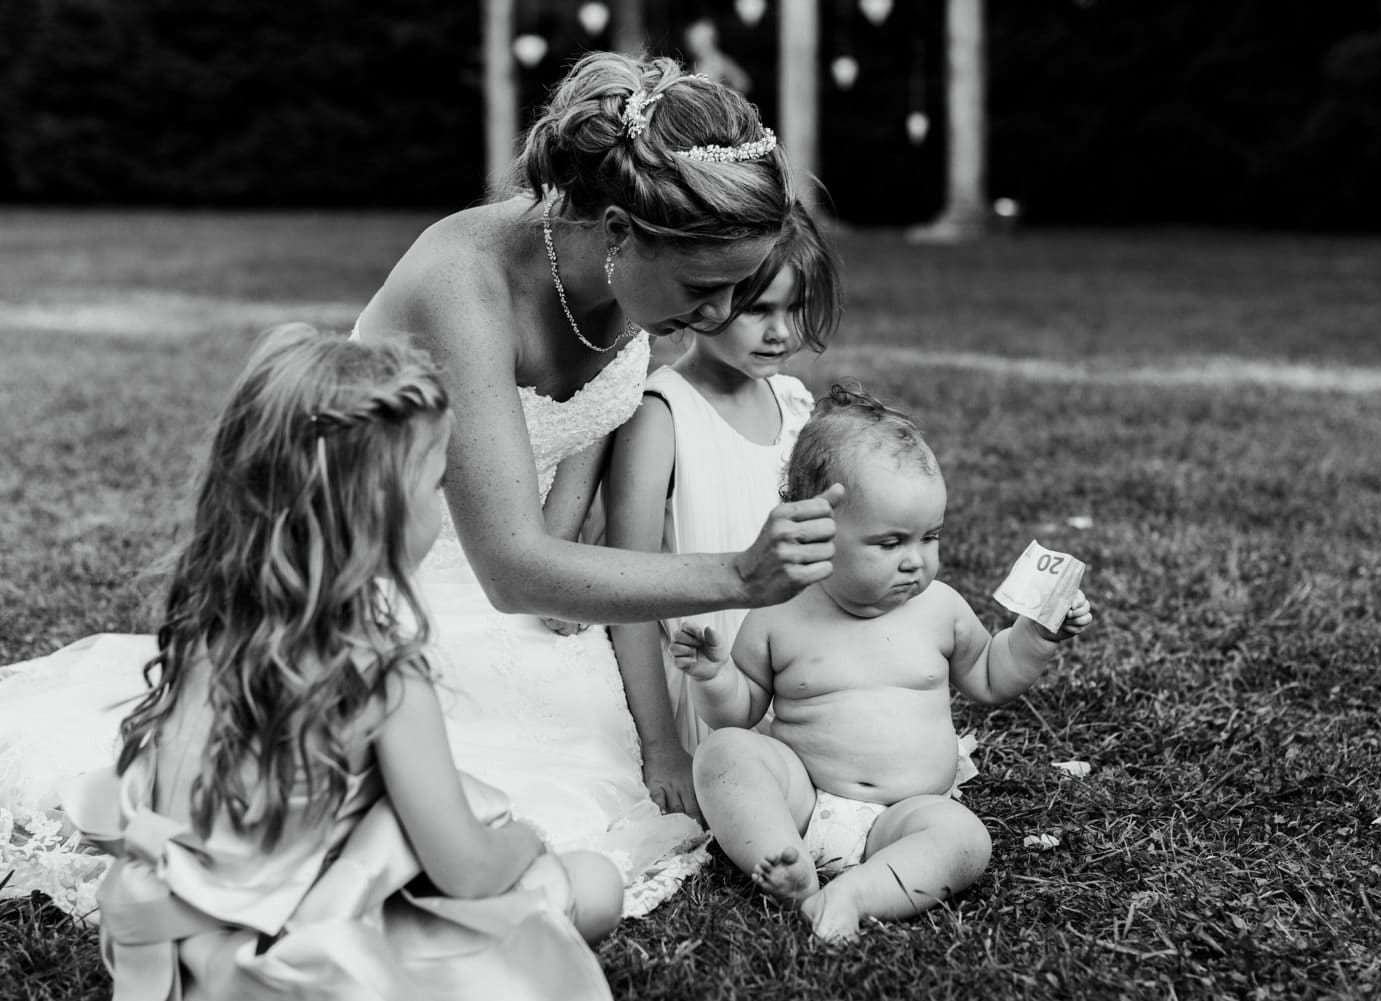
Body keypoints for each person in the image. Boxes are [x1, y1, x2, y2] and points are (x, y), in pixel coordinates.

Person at [0, 50, 839, 919]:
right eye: (708, 289)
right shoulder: (462, 283)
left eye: (741, 284)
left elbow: (599, 394)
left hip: (512, 570)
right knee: (523, 820)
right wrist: (736, 575)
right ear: (620, 230)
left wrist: (566, 537)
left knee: (628, 750)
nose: (722, 315)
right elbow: (511, 571)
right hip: (378, 573)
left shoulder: (643, 272)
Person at [60, 324, 621, 999]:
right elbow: (466, 869)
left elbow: (185, 830)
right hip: (310, 960)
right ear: (375, 510)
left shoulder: (212, 637)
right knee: (592, 883)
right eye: (434, 482)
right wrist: (526, 841)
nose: (440, 507)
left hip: (187, 944)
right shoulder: (382, 673)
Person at [671, 386, 1095, 943]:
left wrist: (1036, 634)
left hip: (907, 812)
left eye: (930, 536)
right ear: (815, 533)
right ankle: (784, 855)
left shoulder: (939, 608)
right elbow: (740, 712)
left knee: (965, 839)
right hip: (806, 797)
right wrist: (713, 675)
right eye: (891, 542)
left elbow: (992, 675)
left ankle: (858, 892)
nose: (916, 560)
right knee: (723, 754)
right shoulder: (780, 614)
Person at [603, 201, 842, 821]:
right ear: (707, 299)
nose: (782, 333)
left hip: (793, 675)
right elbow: (628, 597)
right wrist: (661, 749)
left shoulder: (793, 403)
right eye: (759, 309)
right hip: (703, 676)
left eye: (794, 308)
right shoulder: (662, 416)